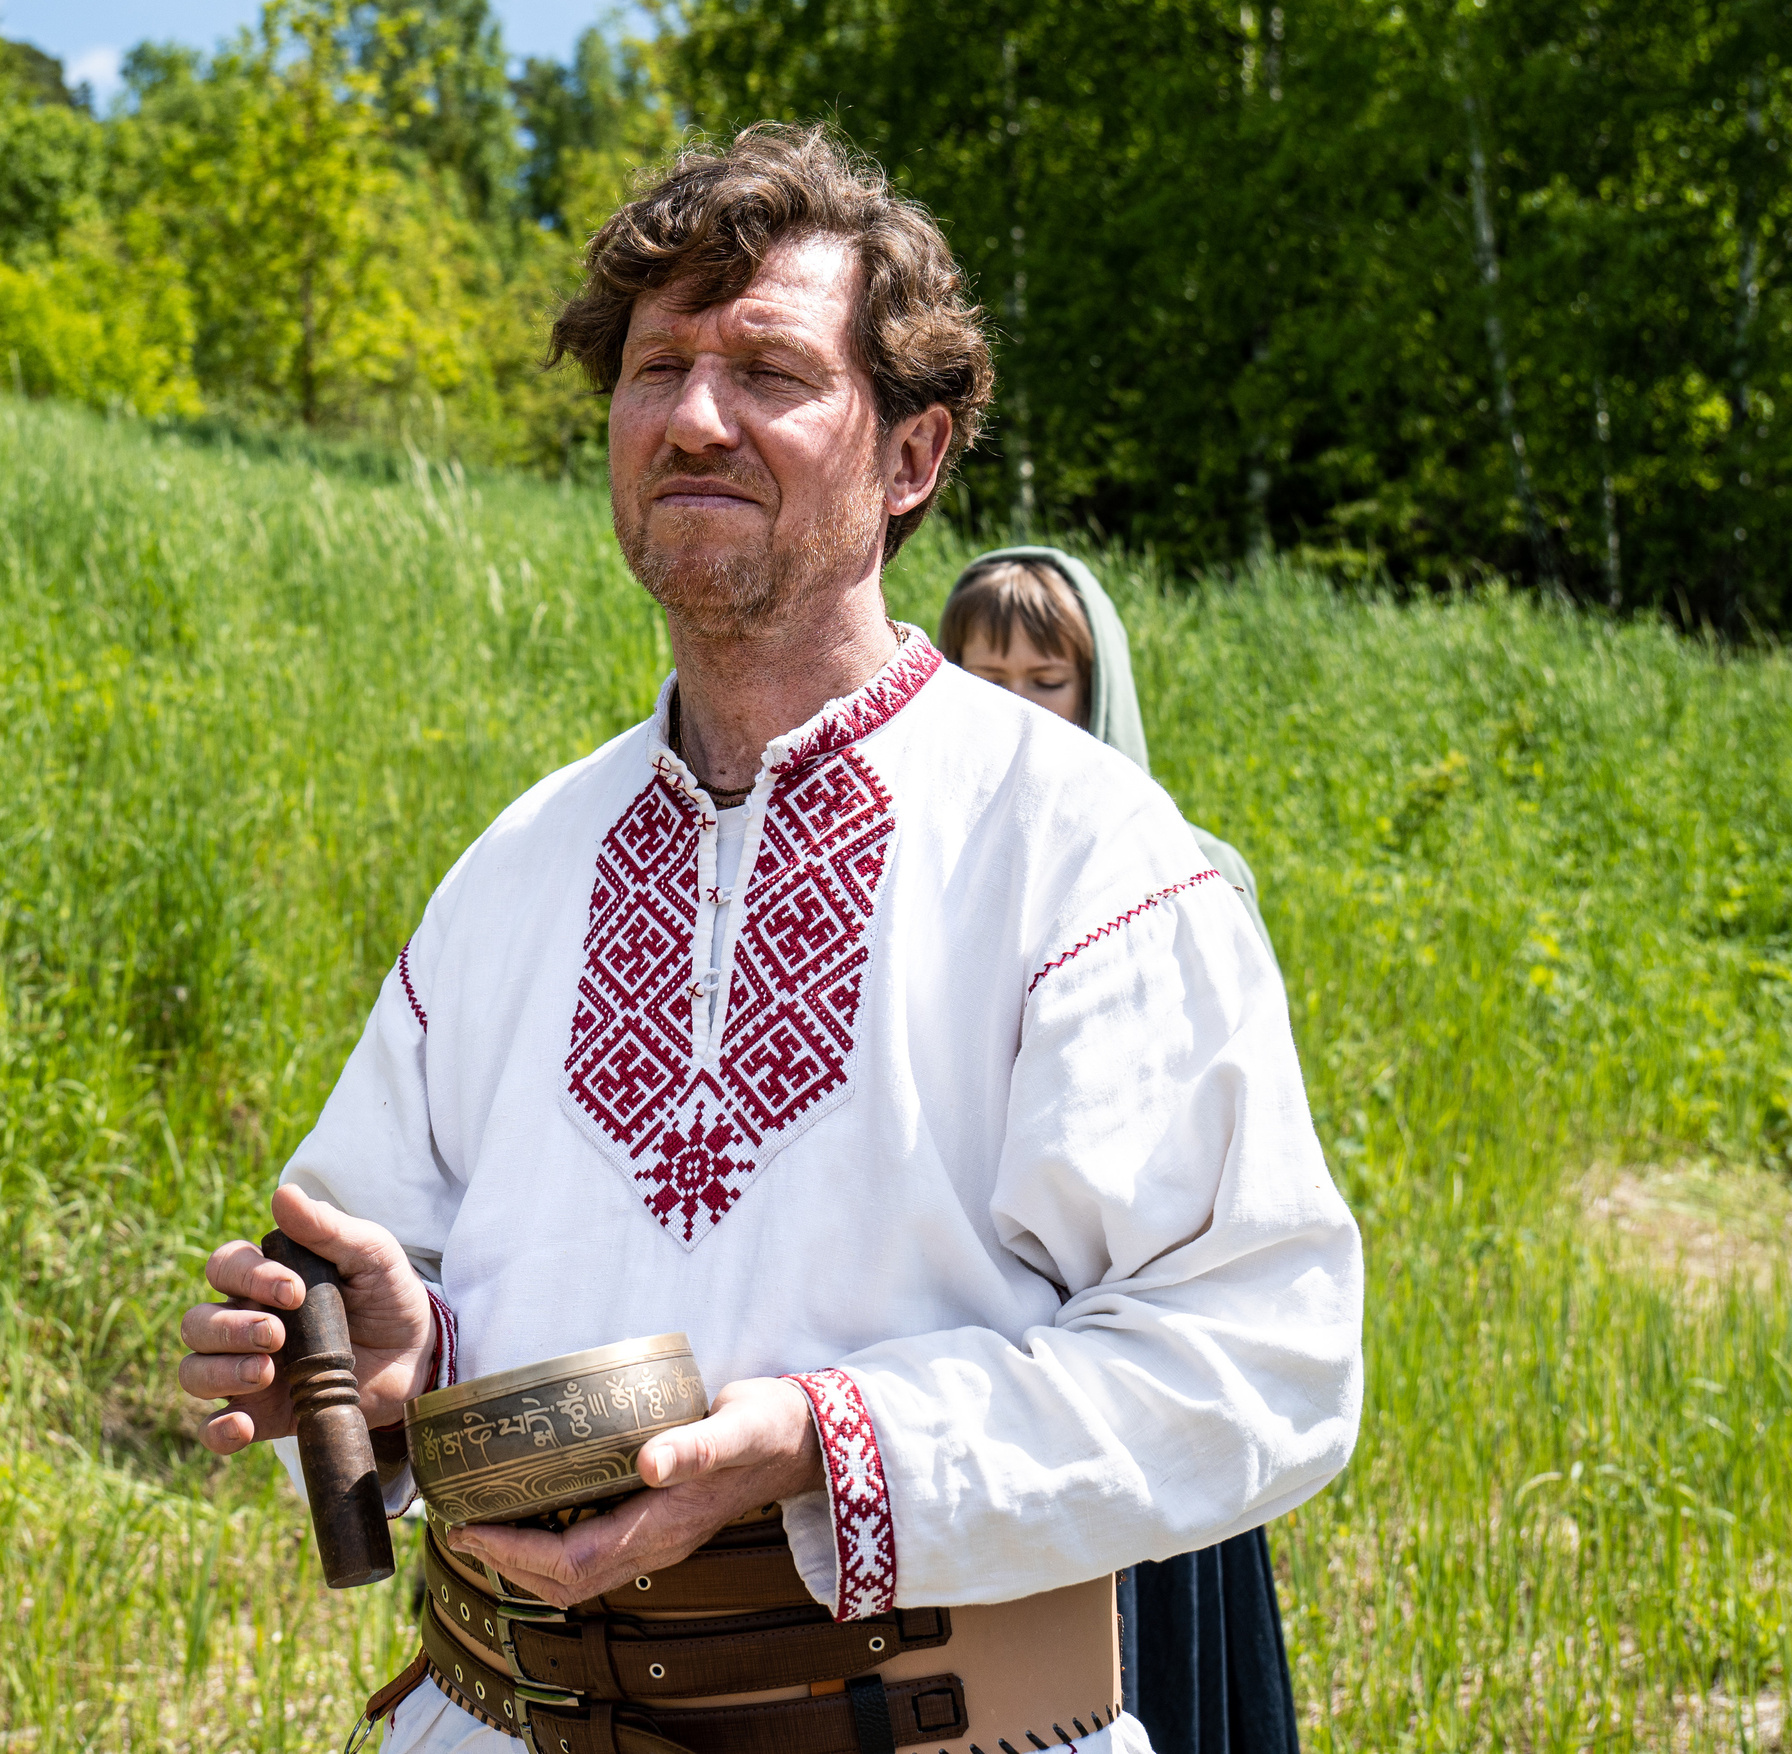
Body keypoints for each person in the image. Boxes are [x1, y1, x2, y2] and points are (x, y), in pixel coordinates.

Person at [175, 124, 1363, 1754]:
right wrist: (403, 1365)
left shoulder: (1083, 851)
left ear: (914, 455)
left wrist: (826, 1437)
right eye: (656, 365)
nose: (694, 416)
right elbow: (417, 1272)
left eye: (770, 369)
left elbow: (1259, 1350)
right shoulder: (519, 868)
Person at [940, 549, 1301, 1754]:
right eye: (977, 674)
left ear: (1094, 693)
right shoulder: (917, 882)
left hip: (1128, 1335)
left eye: (1043, 679)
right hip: (980, 1342)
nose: (1009, 707)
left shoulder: (1187, 877)